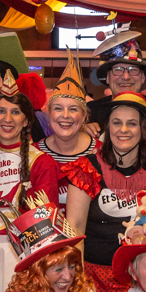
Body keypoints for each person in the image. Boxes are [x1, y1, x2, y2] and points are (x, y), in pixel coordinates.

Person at [63, 93, 146, 292]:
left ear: (143, 129)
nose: (123, 130)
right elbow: (74, 228)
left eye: (132, 123)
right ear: (108, 127)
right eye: (116, 123)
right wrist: (80, 284)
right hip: (93, 279)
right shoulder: (86, 168)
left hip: (145, 282)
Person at [0, 72, 60, 292]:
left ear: (26, 121)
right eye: (1, 111)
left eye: (15, 112)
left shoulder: (41, 162)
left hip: (25, 255)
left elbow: (47, 219)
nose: (8, 118)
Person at [36, 49, 96, 204]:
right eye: (58, 108)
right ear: (49, 113)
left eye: (73, 109)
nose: (65, 115)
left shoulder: (101, 153)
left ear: (84, 117)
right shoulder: (33, 154)